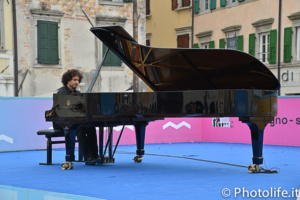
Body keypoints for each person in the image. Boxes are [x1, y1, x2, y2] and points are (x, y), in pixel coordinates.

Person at [53, 69, 98, 165]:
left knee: (91, 127)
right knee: (80, 128)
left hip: (74, 120)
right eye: (74, 80)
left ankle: (95, 155)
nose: (77, 82)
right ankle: (88, 157)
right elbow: (61, 111)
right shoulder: (61, 93)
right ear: (67, 80)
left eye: (78, 80)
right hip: (60, 122)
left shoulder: (77, 93)